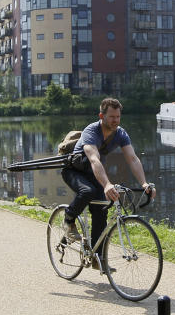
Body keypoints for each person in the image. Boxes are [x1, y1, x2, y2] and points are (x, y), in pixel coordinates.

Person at [61, 97, 154, 270]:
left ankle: (98, 258)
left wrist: (143, 183)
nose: (116, 121)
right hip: (75, 171)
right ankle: (68, 220)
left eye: (118, 117)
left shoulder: (120, 133)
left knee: (102, 209)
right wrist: (106, 184)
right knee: (87, 191)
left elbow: (132, 159)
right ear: (101, 116)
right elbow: (95, 159)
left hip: (94, 173)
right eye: (112, 117)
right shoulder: (92, 130)